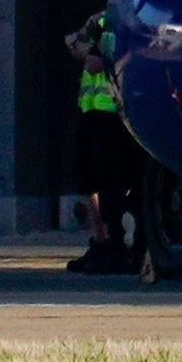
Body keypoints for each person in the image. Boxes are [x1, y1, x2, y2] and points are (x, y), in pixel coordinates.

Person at [63, 35, 140, 276]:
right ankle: (101, 240)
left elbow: (95, 57)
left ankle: (116, 244)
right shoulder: (101, 23)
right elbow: (75, 46)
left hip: (113, 112)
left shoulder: (120, 18)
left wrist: (100, 58)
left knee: (113, 181)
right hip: (91, 109)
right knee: (87, 177)